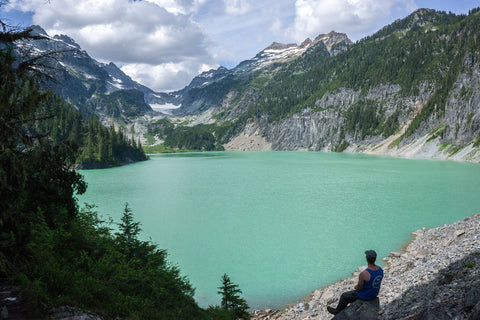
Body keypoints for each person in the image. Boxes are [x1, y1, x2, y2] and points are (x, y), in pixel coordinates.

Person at [327, 250, 383, 315]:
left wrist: (355, 287)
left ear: (367, 259)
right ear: (375, 259)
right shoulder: (380, 269)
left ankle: (337, 312)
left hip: (365, 296)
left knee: (344, 296)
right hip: (374, 294)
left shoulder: (364, 274)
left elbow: (358, 288)